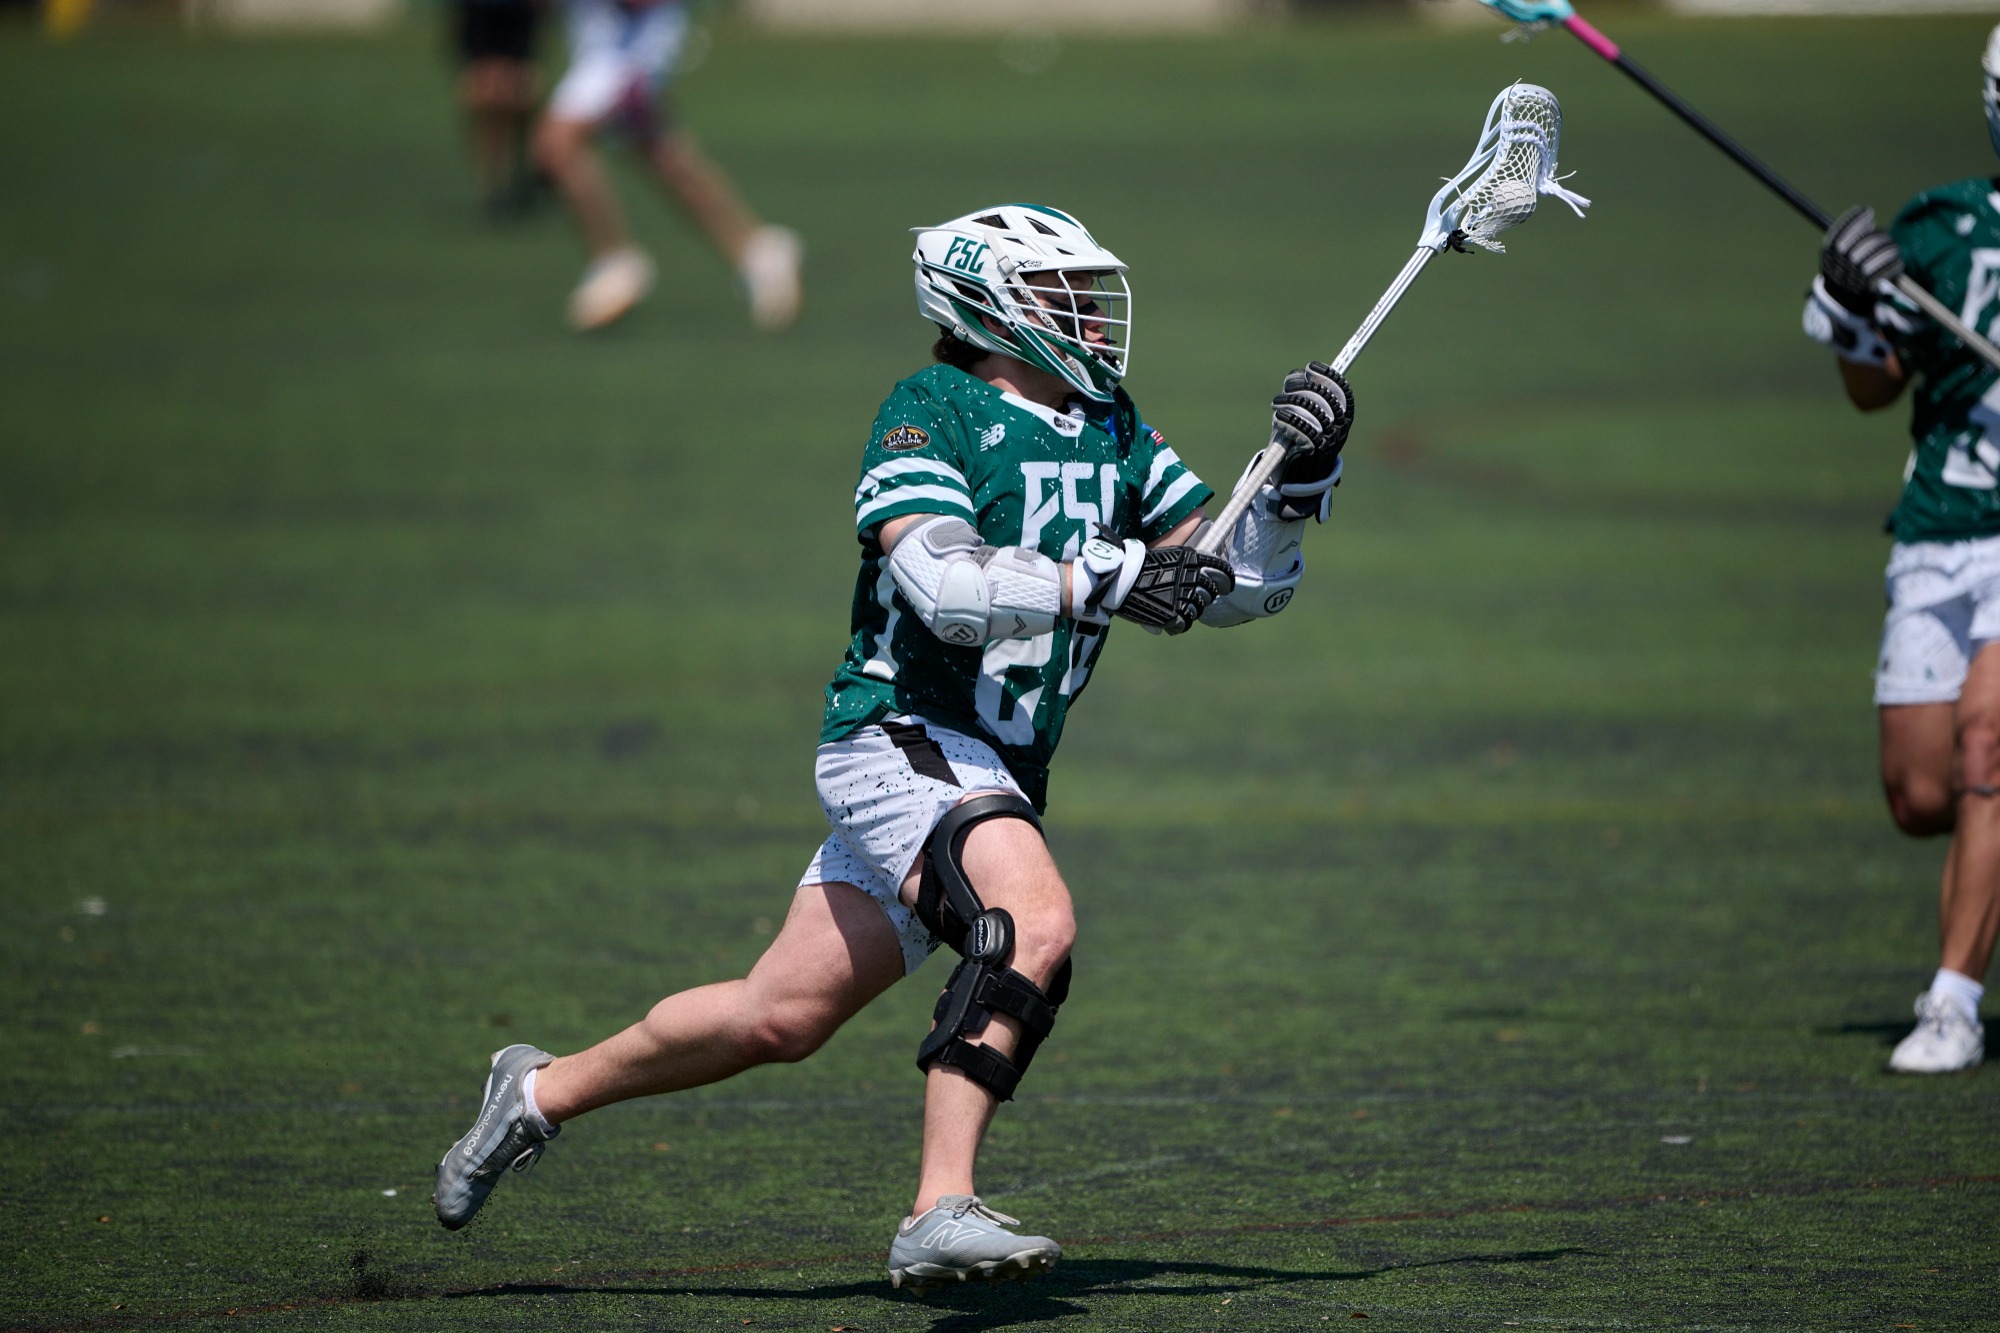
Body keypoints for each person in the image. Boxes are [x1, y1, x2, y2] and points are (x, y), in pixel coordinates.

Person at [431, 204, 1354, 1288]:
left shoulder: (1110, 426)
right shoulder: (930, 409)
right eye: (1065, 295)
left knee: (775, 1015)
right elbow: (944, 584)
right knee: (1033, 925)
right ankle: (937, 1206)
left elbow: (1228, 588)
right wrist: (1106, 577)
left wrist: (1294, 485)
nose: (1092, 318)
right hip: (897, 736)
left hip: (991, 767)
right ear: (991, 309)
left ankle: (534, 1092)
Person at [1801, 25, 2000, 1075]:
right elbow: (1871, 386)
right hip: (1938, 532)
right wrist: (1849, 302)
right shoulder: (1945, 227)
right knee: (1920, 795)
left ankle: (1952, 1003)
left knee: (1986, 746)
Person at [535, 0, 801, 332]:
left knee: (557, 143)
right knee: (656, 152)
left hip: (634, 32)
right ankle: (756, 249)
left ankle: (615, 262)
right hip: (599, 31)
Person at [450, 0, 544, 220]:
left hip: (519, 12)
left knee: (521, 95)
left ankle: (523, 165)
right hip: (481, 12)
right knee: (485, 98)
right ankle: (494, 183)